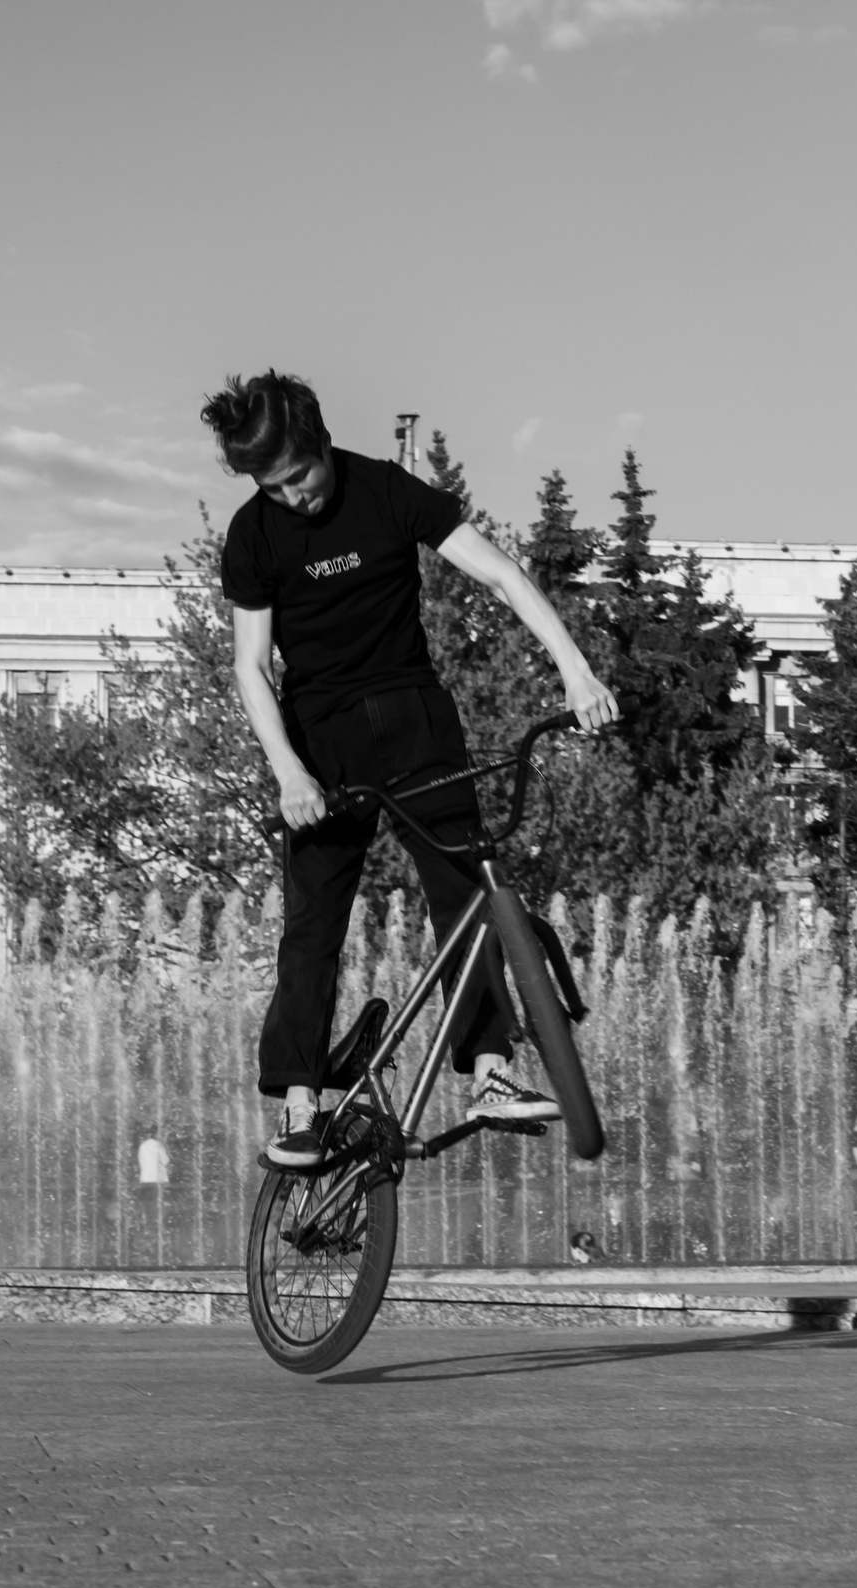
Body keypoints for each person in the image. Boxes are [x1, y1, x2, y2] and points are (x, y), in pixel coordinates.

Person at [205, 372, 620, 1168]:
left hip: (414, 717)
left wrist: (573, 668)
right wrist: (289, 772)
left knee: (464, 889)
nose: (293, 497)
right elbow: (251, 667)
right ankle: (300, 1103)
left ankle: (491, 1070)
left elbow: (501, 573)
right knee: (312, 921)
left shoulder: (387, 491)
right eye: (273, 487)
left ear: (323, 442)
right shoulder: (252, 535)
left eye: (301, 476)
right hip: (319, 740)